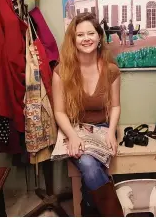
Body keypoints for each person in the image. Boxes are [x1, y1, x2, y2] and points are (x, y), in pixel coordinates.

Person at [52, 12, 123, 217]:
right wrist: (72, 136)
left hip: (103, 129)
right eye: (80, 35)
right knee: (90, 166)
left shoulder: (111, 70)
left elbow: (116, 107)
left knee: (91, 169)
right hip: (74, 128)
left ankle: (88, 211)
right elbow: (59, 111)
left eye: (91, 33)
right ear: (73, 40)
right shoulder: (61, 72)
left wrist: (111, 132)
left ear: (99, 37)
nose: (86, 39)